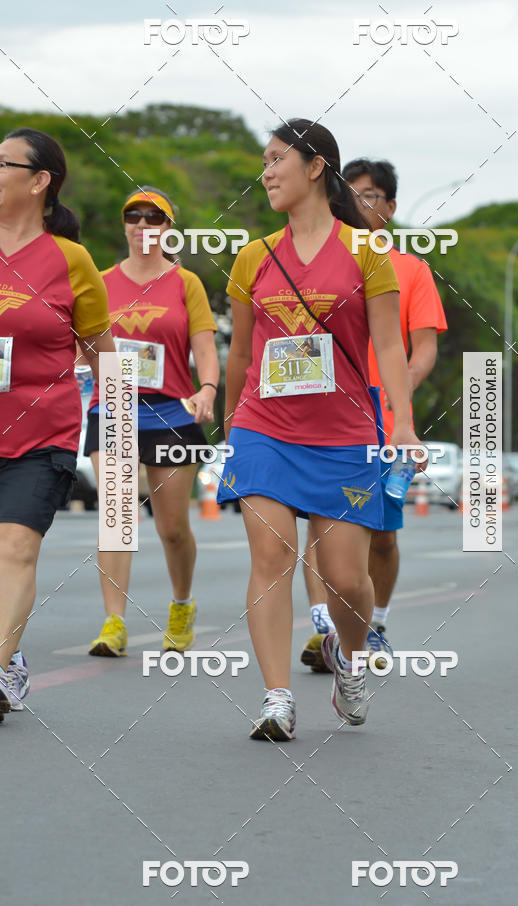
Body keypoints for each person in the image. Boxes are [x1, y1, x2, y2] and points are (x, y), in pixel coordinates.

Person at [218, 119, 424, 741]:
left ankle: (350, 660)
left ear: (315, 167)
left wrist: (405, 427)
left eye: (278, 159)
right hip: (265, 428)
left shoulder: (368, 253)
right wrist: (231, 431)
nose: (267, 172)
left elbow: (389, 345)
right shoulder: (253, 256)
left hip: (345, 435)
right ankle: (277, 698)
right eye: (264, 160)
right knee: (271, 556)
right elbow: (240, 355)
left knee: (345, 578)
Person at [300, 158, 447, 671]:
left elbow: (423, 347)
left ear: (390, 207)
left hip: (385, 418)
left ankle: (374, 622)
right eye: (352, 194)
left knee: (381, 532)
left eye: (371, 196)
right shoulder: (317, 261)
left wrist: (395, 392)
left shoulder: (412, 268)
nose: (361, 204)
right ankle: (326, 629)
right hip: (324, 415)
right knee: (322, 524)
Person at [0, 127, 113, 719]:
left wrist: (113, 436)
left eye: (2, 163)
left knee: (16, 547)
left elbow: (102, 351)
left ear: (40, 181)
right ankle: (10, 653)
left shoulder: (71, 261)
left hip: (43, 433)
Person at [84, 187, 219, 656]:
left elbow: (205, 345)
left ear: (168, 228)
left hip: (171, 413)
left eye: (154, 217)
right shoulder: (99, 282)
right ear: (125, 226)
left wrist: (207, 389)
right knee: (116, 514)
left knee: (172, 526)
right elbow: (83, 342)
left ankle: (181, 606)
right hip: (114, 404)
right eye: (133, 216)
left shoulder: (186, 284)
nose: (142, 224)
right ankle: (113, 622)